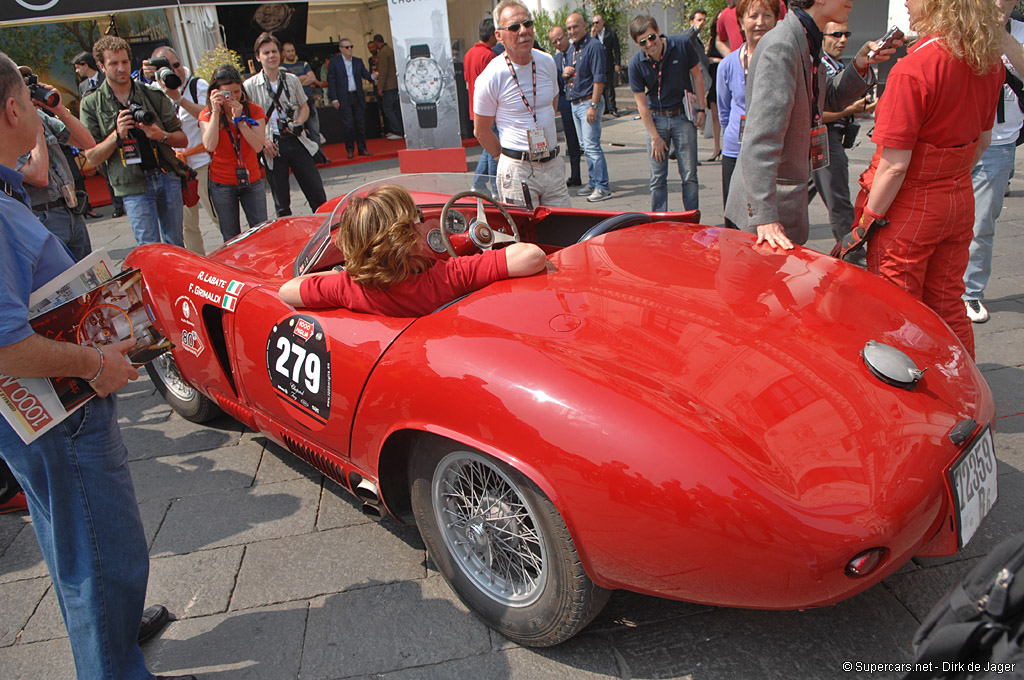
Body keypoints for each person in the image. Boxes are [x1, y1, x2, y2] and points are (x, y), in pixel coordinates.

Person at [0, 51, 192, 680]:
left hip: (40, 409)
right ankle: (111, 663)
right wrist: (93, 361)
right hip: (59, 407)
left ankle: (113, 631)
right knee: (97, 547)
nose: (37, 107)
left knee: (72, 539)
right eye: (30, 99)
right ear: (11, 109)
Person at [851, 0, 1004, 358]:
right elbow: (982, 142)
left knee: (898, 309)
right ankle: (962, 389)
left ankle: (912, 404)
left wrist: (866, 224)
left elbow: (894, 166)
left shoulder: (914, 68)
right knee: (948, 302)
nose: (905, 1)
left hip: (909, 207)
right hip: (957, 196)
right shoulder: (986, 60)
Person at [723, 0, 896, 250]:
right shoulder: (783, 44)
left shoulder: (805, 37)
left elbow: (828, 99)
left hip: (779, 212)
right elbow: (761, 139)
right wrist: (765, 217)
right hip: (763, 224)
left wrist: (859, 65)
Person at [278, 185, 546, 316]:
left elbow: (287, 290)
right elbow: (531, 256)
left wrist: (347, 273)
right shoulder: (448, 277)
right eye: (418, 217)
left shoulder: (348, 288)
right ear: (406, 234)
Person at [80, 36, 187, 248]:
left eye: (125, 62)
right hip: (132, 185)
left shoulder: (152, 94)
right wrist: (116, 136)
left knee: (176, 246)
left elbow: (182, 138)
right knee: (150, 248)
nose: (121, 68)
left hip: (165, 174)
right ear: (101, 66)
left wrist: (160, 135)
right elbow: (92, 156)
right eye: (113, 63)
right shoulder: (91, 104)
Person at [474, 0, 571, 208]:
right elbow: (481, 131)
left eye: (528, 23)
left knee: (563, 232)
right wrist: (506, 159)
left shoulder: (546, 62)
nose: (523, 31)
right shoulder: (492, 76)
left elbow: (551, 106)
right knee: (525, 237)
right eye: (514, 27)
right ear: (499, 35)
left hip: (552, 165)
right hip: (517, 170)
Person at [963, 0, 1024, 323]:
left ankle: (970, 292)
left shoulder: (1020, 32)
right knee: (942, 217)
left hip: (999, 144)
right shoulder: (963, 27)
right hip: (959, 138)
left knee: (981, 224)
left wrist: (1001, 35)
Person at [628, 14, 706, 212]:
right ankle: (659, 223)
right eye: (643, 42)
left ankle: (691, 221)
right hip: (657, 118)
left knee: (689, 175)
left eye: (652, 37)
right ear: (638, 43)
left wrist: (702, 109)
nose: (649, 44)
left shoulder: (681, 45)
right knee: (657, 178)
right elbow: (641, 105)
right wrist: (655, 137)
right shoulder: (636, 63)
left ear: (658, 32)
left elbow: (697, 76)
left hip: (682, 116)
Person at [16, 67, 96, 261]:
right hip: (42, 217)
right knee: (63, 286)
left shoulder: (42, 118)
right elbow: (38, 176)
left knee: (90, 281)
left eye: (28, 82)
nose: (27, 89)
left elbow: (88, 143)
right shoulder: (8, 130)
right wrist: (32, 119)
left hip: (71, 211)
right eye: (20, 85)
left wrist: (60, 110)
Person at [244, 32, 326, 218]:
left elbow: (304, 107)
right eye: (266, 53)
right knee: (281, 204)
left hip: (297, 139)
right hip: (272, 145)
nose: (271, 56)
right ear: (258, 57)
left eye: (274, 51)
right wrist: (262, 140)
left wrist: (298, 122)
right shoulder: (250, 86)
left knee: (317, 195)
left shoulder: (291, 79)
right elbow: (246, 120)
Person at [811, 22, 875, 256]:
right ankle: (852, 252)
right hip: (824, 137)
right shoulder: (820, 66)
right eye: (836, 35)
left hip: (830, 137)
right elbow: (817, 112)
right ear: (823, 37)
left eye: (846, 34)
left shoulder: (836, 64)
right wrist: (850, 109)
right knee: (838, 200)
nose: (842, 39)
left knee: (806, 189)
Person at [717, 0, 781, 227]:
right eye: (753, 16)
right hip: (735, 151)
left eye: (767, 16)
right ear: (742, 21)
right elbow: (724, 111)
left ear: (776, 21)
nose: (760, 23)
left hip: (769, 152)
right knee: (733, 220)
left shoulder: (783, 62)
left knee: (766, 221)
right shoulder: (728, 64)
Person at [150, 45, 216, 255]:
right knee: (188, 225)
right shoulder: (152, 90)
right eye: (166, 67)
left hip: (202, 162)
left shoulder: (197, 85)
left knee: (217, 215)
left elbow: (208, 113)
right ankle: (201, 266)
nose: (173, 71)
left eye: (176, 65)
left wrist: (179, 98)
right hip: (177, 167)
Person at [200, 65, 268, 242]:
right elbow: (209, 144)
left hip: (251, 178)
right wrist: (215, 111)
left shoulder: (254, 110)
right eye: (226, 93)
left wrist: (240, 121)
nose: (233, 97)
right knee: (231, 237)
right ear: (215, 93)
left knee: (261, 231)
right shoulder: (207, 114)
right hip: (222, 182)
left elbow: (258, 146)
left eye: (237, 92)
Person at [565, 12, 612, 202]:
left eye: (575, 26)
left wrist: (593, 105)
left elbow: (599, 78)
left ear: (584, 26)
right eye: (569, 28)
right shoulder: (572, 50)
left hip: (587, 102)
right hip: (575, 103)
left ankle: (602, 186)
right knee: (585, 145)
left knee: (592, 146)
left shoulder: (594, 47)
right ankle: (593, 182)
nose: (572, 31)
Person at [327, 38, 375, 160]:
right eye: (347, 47)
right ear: (341, 49)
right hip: (344, 96)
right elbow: (331, 81)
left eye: (351, 47)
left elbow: (366, 74)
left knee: (360, 124)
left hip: (357, 96)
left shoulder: (358, 62)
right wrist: (334, 98)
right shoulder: (335, 62)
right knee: (348, 125)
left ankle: (362, 149)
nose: (350, 50)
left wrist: (373, 76)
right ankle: (350, 149)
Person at [466, 18, 500, 193]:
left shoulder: (469, 54)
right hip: (488, 110)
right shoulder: (488, 56)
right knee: (492, 148)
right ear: (492, 36)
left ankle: (479, 183)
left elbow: (467, 82)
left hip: (475, 108)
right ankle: (493, 186)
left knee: (487, 147)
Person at [548, 25, 584, 187]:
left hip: (580, 99)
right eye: (554, 42)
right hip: (564, 101)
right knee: (571, 140)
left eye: (560, 38)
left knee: (586, 141)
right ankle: (575, 175)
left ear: (565, 36)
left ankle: (596, 179)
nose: (558, 43)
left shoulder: (576, 53)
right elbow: (554, 83)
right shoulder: (555, 60)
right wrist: (562, 76)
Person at [683, 9, 720, 162]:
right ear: (691, 22)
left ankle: (688, 153)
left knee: (696, 120)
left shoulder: (698, 39)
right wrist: (695, 28)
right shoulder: (689, 35)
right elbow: (686, 37)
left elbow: (702, 59)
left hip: (704, 82)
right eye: (699, 20)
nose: (702, 23)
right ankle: (688, 154)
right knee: (692, 120)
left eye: (704, 20)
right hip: (694, 83)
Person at [281, 42, 325, 158]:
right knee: (299, 131)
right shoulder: (282, 68)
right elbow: (288, 83)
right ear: (283, 53)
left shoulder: (304, 64)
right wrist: (303, 79)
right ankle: (306, 157)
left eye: (292, 50)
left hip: (309, 101)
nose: (291, 53)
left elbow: (312, 78)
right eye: (288, 51)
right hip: (295, 105)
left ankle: (319, 155)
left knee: (315, 130)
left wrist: (296, 80)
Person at [372, 34, 403, 140]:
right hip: (393, 84)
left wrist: (380, 86)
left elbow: (383, 70)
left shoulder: (384, 52)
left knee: (388, 108)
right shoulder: (389, 50)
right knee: (395, 108)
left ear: (376, 42)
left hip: (388, 86)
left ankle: (397, 130)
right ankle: (399, 130)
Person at [591, 14, 621, 117]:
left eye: (597, 22)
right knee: (601, 87)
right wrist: (592, 36)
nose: (595, 25)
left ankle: (613, 108)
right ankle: (605, 108)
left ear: (602, 22)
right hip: (599, 66)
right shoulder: (593, 36)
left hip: (609, 64)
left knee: (610, 87)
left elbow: (617, 50)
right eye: (594, 23)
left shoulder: (610, 34)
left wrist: (617, 63)